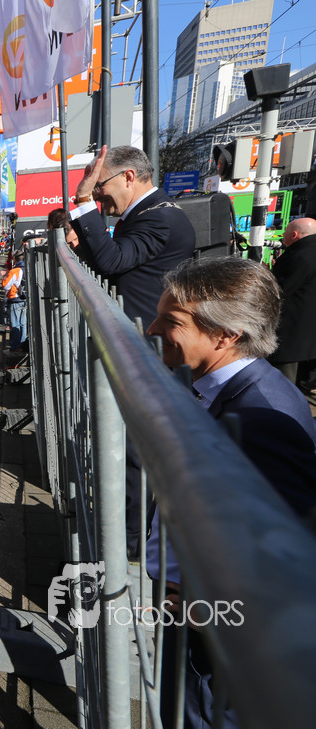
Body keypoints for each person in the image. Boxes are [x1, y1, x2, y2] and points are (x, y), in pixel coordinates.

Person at [143, 256, 316, 729]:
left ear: (225, 335)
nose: (152, 329)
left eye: (171, 321)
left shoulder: (260, 419)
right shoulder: (235, 390)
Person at [69, 144, 196, 327]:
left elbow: (110, 261)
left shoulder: (159, 218)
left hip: (147, 337)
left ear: (128, 177)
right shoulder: (149, 214)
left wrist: (83, 197)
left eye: (98, 185)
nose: (95, 195)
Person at [267, 217, 316, 386]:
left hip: (292, 332)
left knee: (283, 383)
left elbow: (279, 289)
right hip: (310, 336)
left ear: (294, 235)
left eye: (285, 233)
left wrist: (268, 276)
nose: (282, 236)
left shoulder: (298, 255)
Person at [3, 253, 28, 355]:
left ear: (14, 259)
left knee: (15, 324)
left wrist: (5, 276)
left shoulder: (15, 270)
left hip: (15, 298)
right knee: (23, 324)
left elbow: (6, 286)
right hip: (25, 298)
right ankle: (22, 345)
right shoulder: (28, 267)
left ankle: (14, 347)